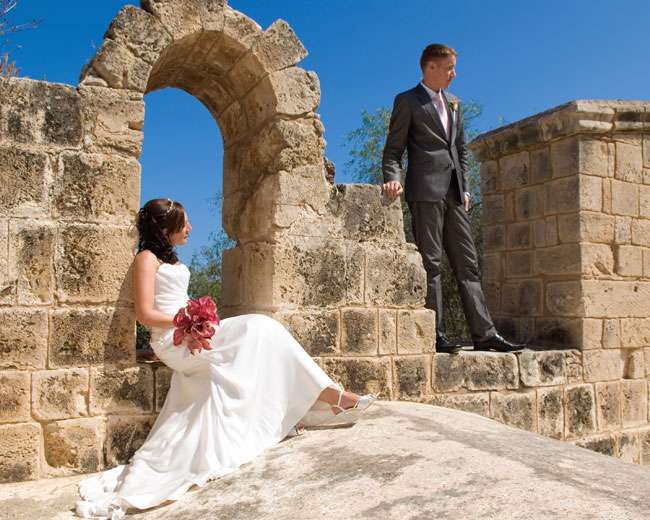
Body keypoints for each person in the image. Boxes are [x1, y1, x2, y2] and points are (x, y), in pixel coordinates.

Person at [75, 198, 376, 519]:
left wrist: (197, 318)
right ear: (165, 229)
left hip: (191, 330)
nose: (190, 228)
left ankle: (324, 399)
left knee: (265, 333)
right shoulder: (146, 258)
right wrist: (186, 320)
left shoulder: (170, 259)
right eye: (184, 224)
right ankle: (332, 397)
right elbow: (145, 313)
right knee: (261, 328)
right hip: (174, 339)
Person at [381, 43, 523, 354]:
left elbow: (459, 150)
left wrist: (466, 188)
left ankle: (484, 334)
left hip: (456, 194)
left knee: (468, 264)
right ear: (430, 67)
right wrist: (393, 180)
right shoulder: (407, 101)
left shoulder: (455, 103)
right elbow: (393, 151)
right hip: (425, 192)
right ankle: (435, 334)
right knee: (431, 263)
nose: (453, 74)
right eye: (449, 68)